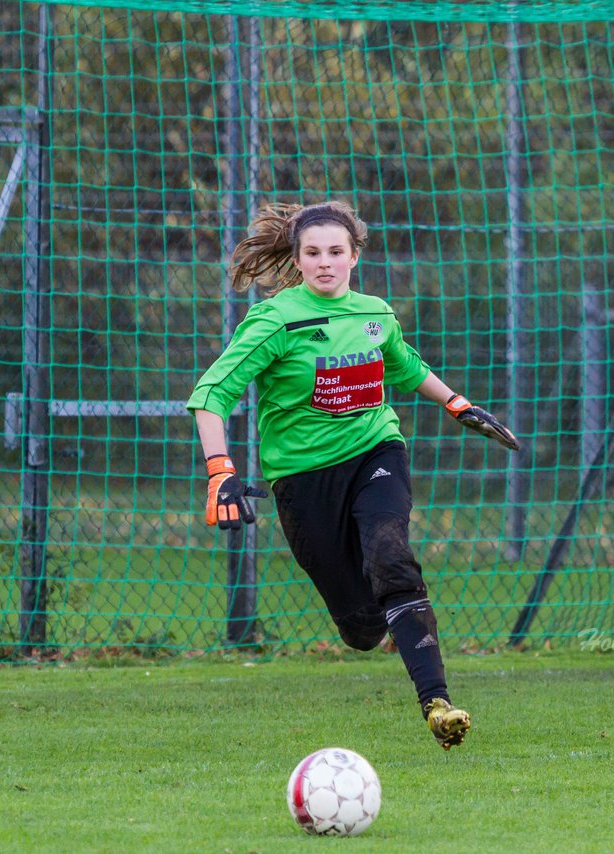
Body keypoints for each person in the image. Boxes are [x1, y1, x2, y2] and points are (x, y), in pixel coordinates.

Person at [187, 201, 519, 750]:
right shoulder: (275, 319)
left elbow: (406, 367)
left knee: (392, 557)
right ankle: (384, 617)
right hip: (302, 479)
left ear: (354, 256)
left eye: (336, 252)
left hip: (375, 450)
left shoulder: (374, 313)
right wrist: (219, 471)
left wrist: (458, 404)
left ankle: (437, 702)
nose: (325, 263)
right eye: (312, 253)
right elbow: (211, 394)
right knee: (363, 629)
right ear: (296, 259)